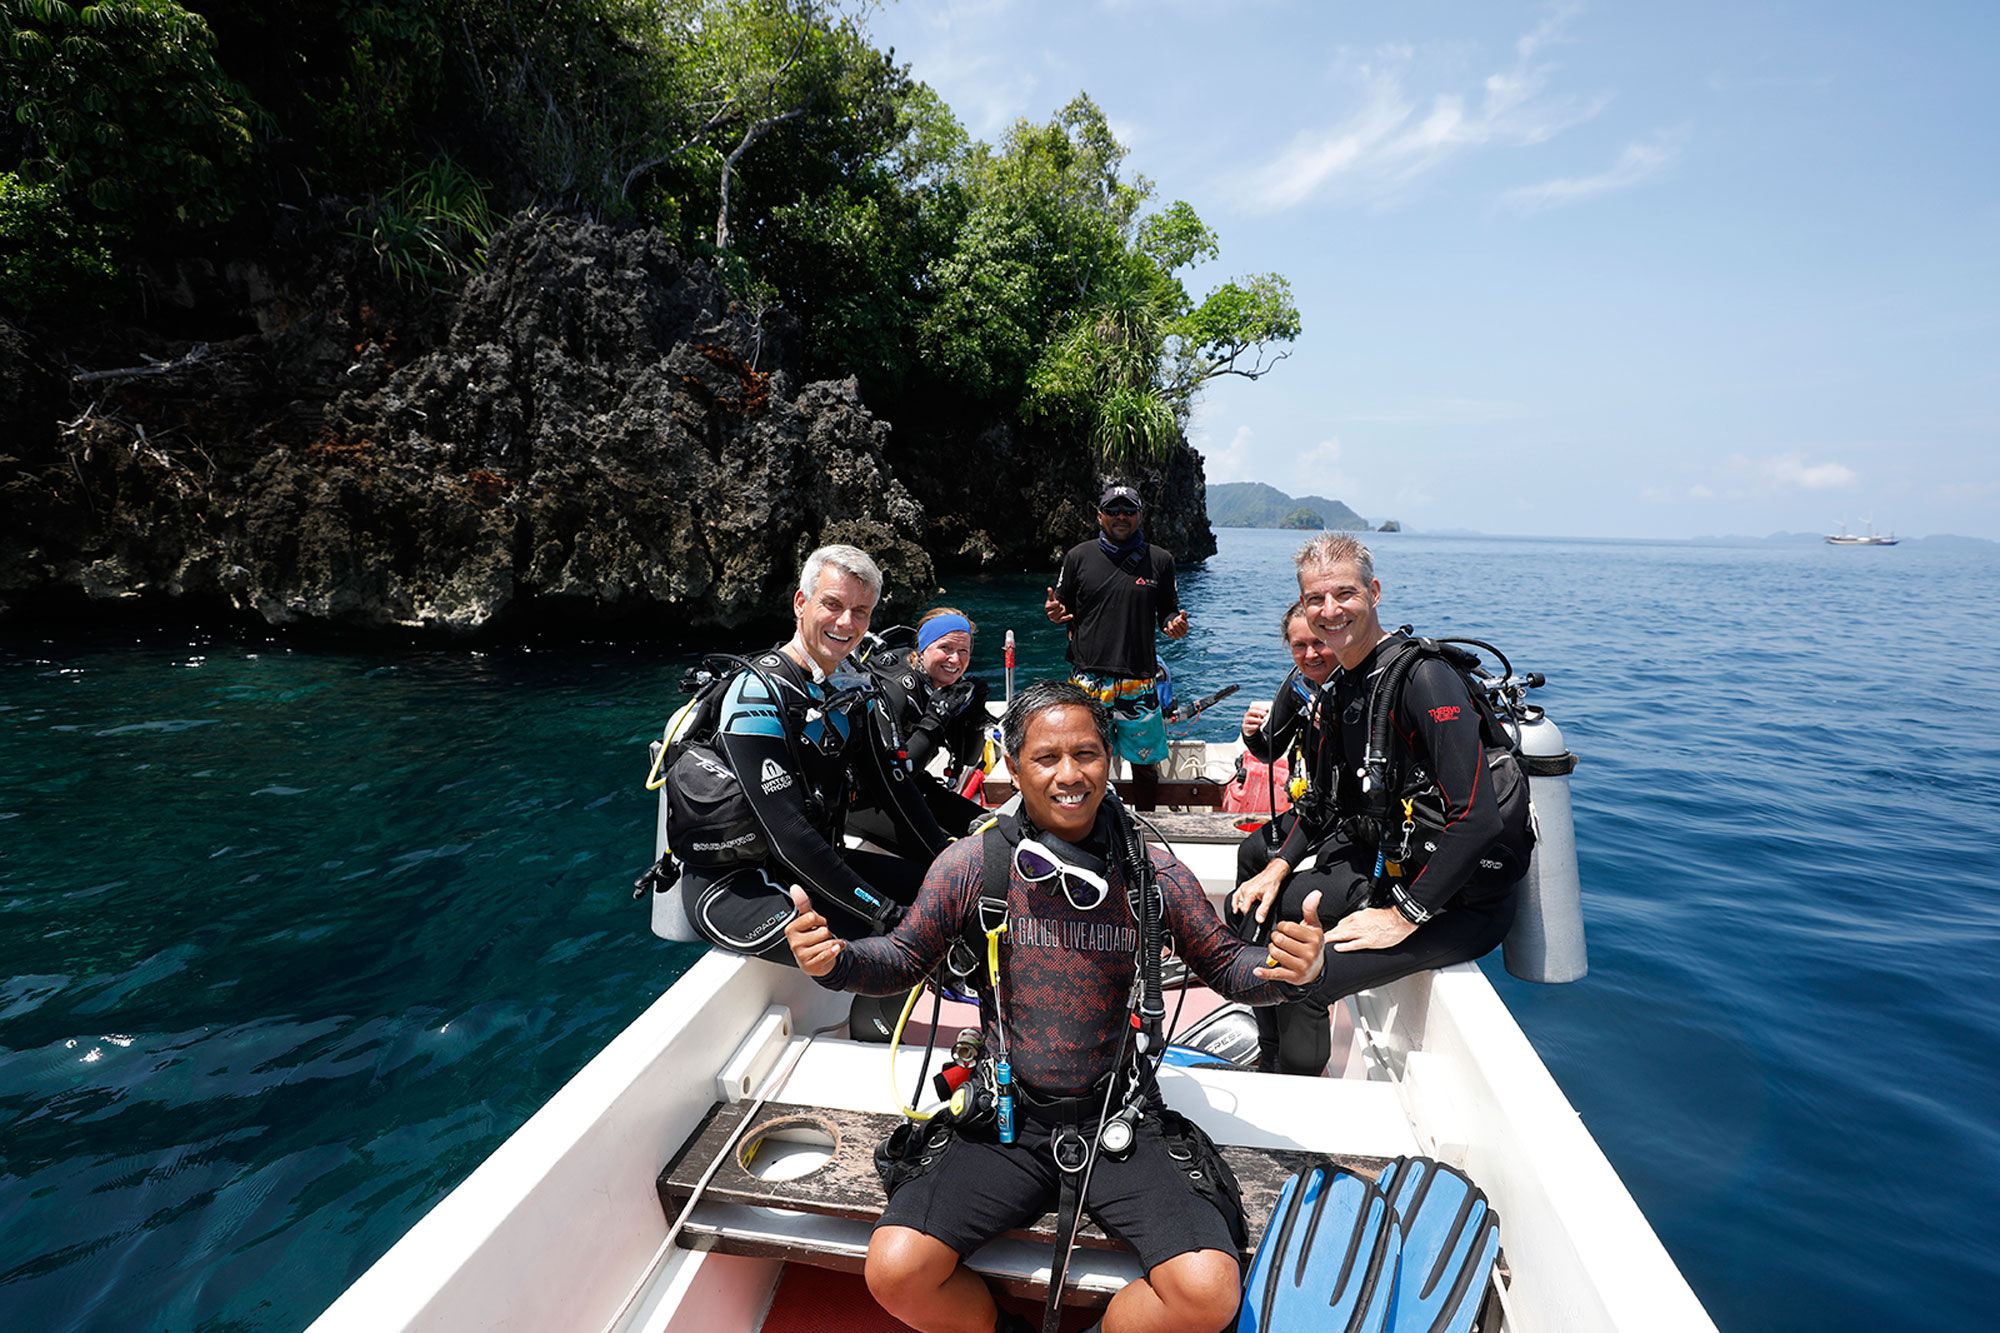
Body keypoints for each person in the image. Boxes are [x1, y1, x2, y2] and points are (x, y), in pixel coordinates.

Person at [785, 680, 1327, 1333]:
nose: (1070, 774)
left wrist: (1283, 970)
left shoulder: (1153, 872)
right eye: (1046, 757)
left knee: (1210, 1292)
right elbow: (901, 957)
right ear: (1012, 766)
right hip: (1006, 1120)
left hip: (1121, 1118)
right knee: (895, 1269)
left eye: (1088, 753)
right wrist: (837, 960)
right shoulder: (971, 868)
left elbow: (1223, 963)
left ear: (1110, 758)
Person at [1228, 534, 1532, 1076]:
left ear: (1374, 591)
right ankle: (1272, 1056)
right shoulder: (1344, 686)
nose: (1329, 611)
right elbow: (1323, 806)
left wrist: (1402, 917)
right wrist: (1276, 867)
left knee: (1306, 976)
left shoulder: (1424, 679)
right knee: (1272, 909)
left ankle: (1298, 1093)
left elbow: (1477, 818)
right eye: (1314, 600)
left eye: (1344, 594)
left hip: (1459, 905)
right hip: (1396, 874)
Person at [673, 545, 951, 1037]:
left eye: (860, 611)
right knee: (891, 936)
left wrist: (954, 865)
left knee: (945, 895)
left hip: (812, 864)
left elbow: (899, 793)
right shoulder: (757, 693)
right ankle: (873, 1039)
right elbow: (787, 833)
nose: (846, 622)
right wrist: (883, 912)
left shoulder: (851, 689)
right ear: (801, 603)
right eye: (832, 605)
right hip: (738, 887)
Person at [1043, 484, 1188, 774]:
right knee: (1085, 766)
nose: (1121, 516)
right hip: (1087, 679)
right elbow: (1060, 604)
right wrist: (1054, 613)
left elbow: (1169, 609)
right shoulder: (1078, 557)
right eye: (1113, 510)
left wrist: (1174, 624)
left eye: (1129, 510)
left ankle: (1144, 819)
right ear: (1100, 516)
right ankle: (1095, 821)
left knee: (1145, 768)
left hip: (1140, 680)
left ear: (1140, 515)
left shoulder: (1160, 560)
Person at [859, 606, 992, 841]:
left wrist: (975, 713)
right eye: (945, 648)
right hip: (867, 799)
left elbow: (971, 759)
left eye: (964, 650)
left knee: (991, 831)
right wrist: (934, 720)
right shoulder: (894, 689)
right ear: (922, 648)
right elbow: (896, 774)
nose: (955, 659)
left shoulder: (942, 687)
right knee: (947, 855)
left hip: (915, 786)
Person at [1232, 600, 1337, 885]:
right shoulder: (1298, 687)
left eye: (1320, 642)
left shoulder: (1361, 689)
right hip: (1313, 808)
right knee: (1249, 853)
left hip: (1350, 816)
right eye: (1299, 646)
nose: (1310, 654)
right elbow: (1269, 752)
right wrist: (1251, 734)